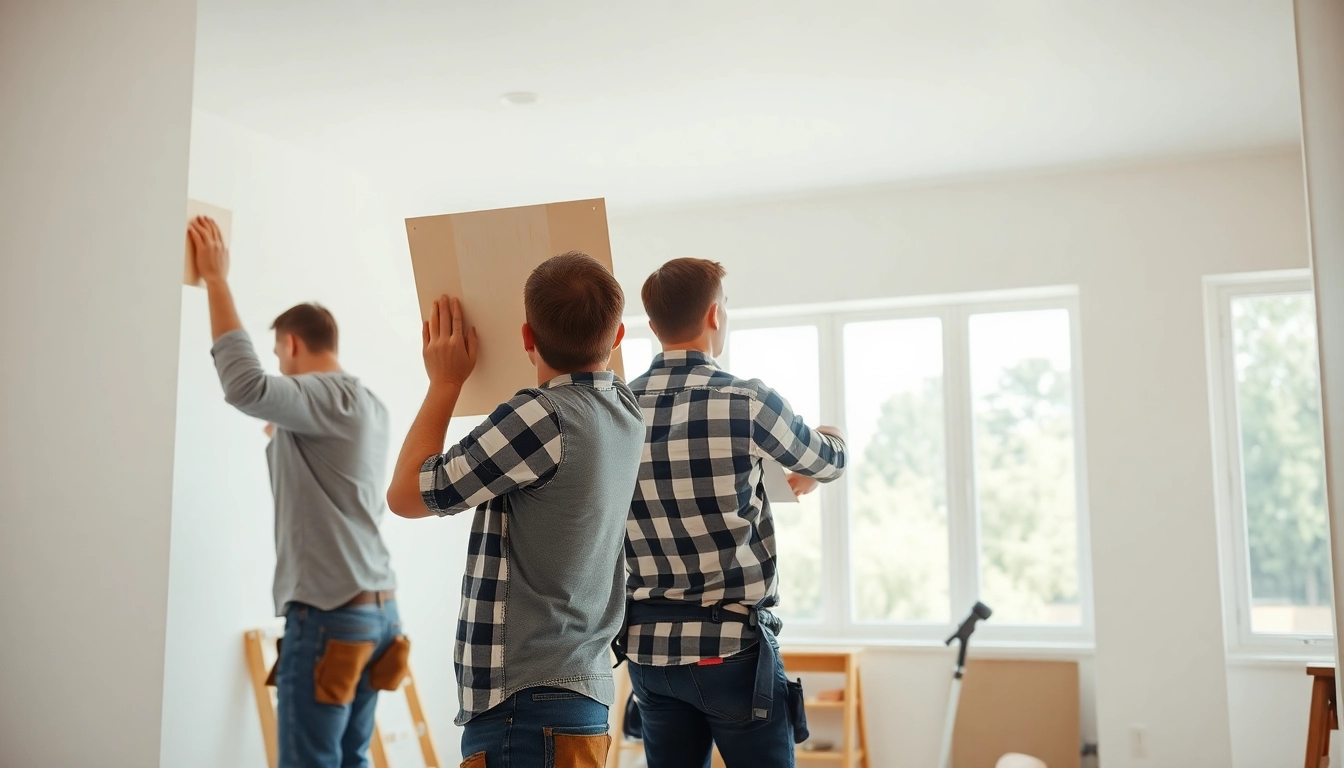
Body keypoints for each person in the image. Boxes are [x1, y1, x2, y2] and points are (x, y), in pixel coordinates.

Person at [385, 251, 643, 768]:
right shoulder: (625, 411)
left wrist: (445, 382)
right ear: (617, 338)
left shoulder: (542, 417)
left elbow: (407, 495)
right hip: (580, 692)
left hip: (525, 704)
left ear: (527, 338)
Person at [188, 216, 404, 768]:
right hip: (377, 613)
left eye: (282, 359)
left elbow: (245, 387)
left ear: (290, 344)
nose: (282, 370)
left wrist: (216, 279)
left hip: (331, 615)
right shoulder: (365, 404)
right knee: (350, 759)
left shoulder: (319, 394)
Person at [619, 257, 848, 768]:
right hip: (730, 651)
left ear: (653, 326)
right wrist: (834, 435)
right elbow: (826, 461)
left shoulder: (619, 407)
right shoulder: (745, 400)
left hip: (649, 652)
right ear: (715, 316)